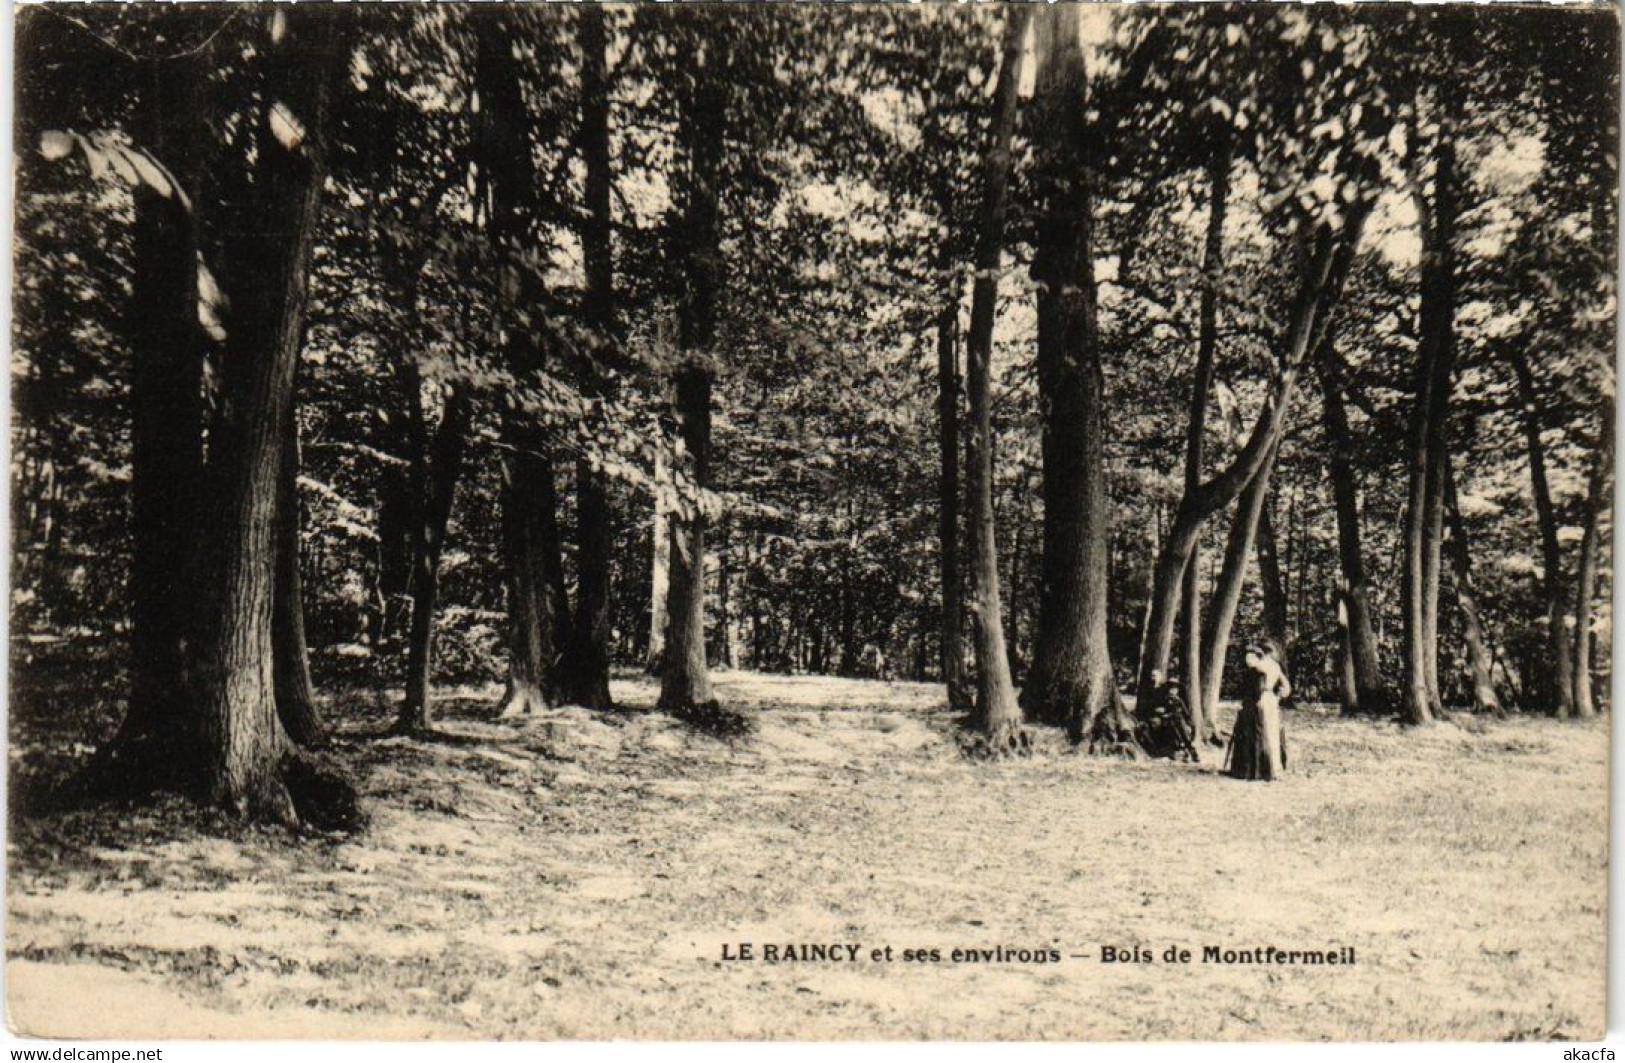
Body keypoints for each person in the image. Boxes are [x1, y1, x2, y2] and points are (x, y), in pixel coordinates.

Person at [1225, 639, 1291, 781]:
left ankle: (1260, 767)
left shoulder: (1260, 666)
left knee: (1261, 732)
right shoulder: (1276, 666)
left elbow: (1254, 684)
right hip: (1270, 699)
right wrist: (1277, 696)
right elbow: (1286, 688)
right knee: (1270, 733)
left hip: (1260, 699)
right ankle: (1273, 766)